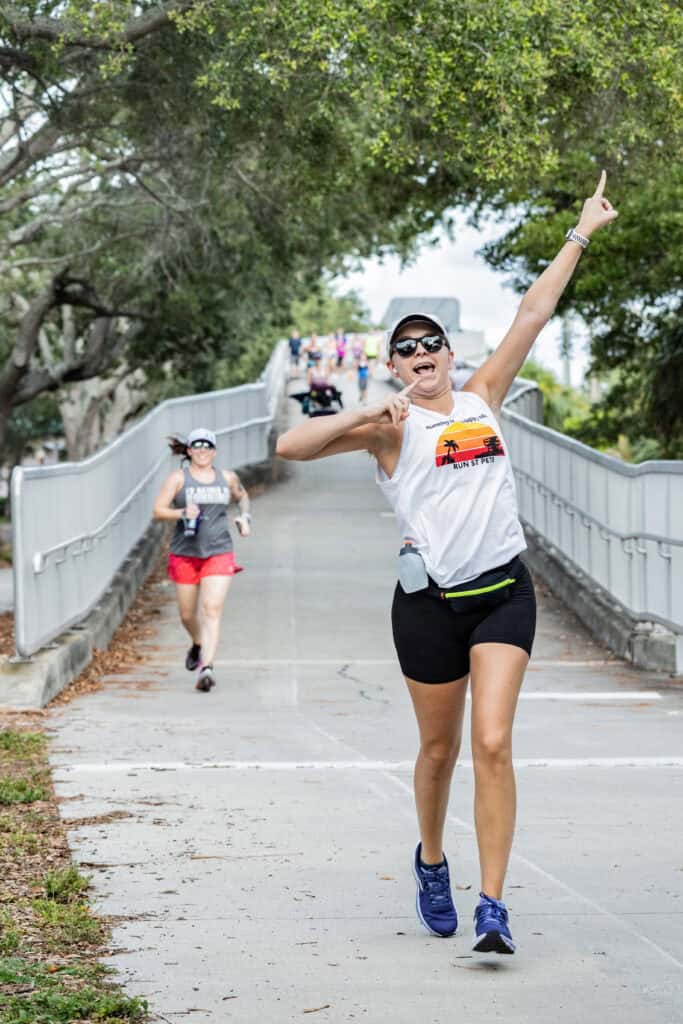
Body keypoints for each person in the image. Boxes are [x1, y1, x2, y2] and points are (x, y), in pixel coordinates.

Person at [276, 174, 617, 953]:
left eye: (431, 344)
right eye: (407, 348)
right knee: (440, 749)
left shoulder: (481, 398)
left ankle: (492, 905)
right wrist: (365, 411)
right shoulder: (386, 430)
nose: (422, 354)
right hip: (428, 603)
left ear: (449, 355)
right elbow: (287, 447)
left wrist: (580, 231)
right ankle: (431, 858)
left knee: (492, 741)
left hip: (503, 592)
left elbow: (533, 313)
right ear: (394, 364)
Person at [152, 427, 252, 692]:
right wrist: (182, 512)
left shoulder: (227, 477)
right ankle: (197, 643)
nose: (202, 451)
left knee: (211, 610)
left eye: (207, 446)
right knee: (187, 614)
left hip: (219, 551)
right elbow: (158, 510)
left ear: (214, 451)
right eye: (197, 446)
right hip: (185, 553)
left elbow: (242, 497)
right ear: (189, 450)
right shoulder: (178, 479)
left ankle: (206, 667)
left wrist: (245, 518)